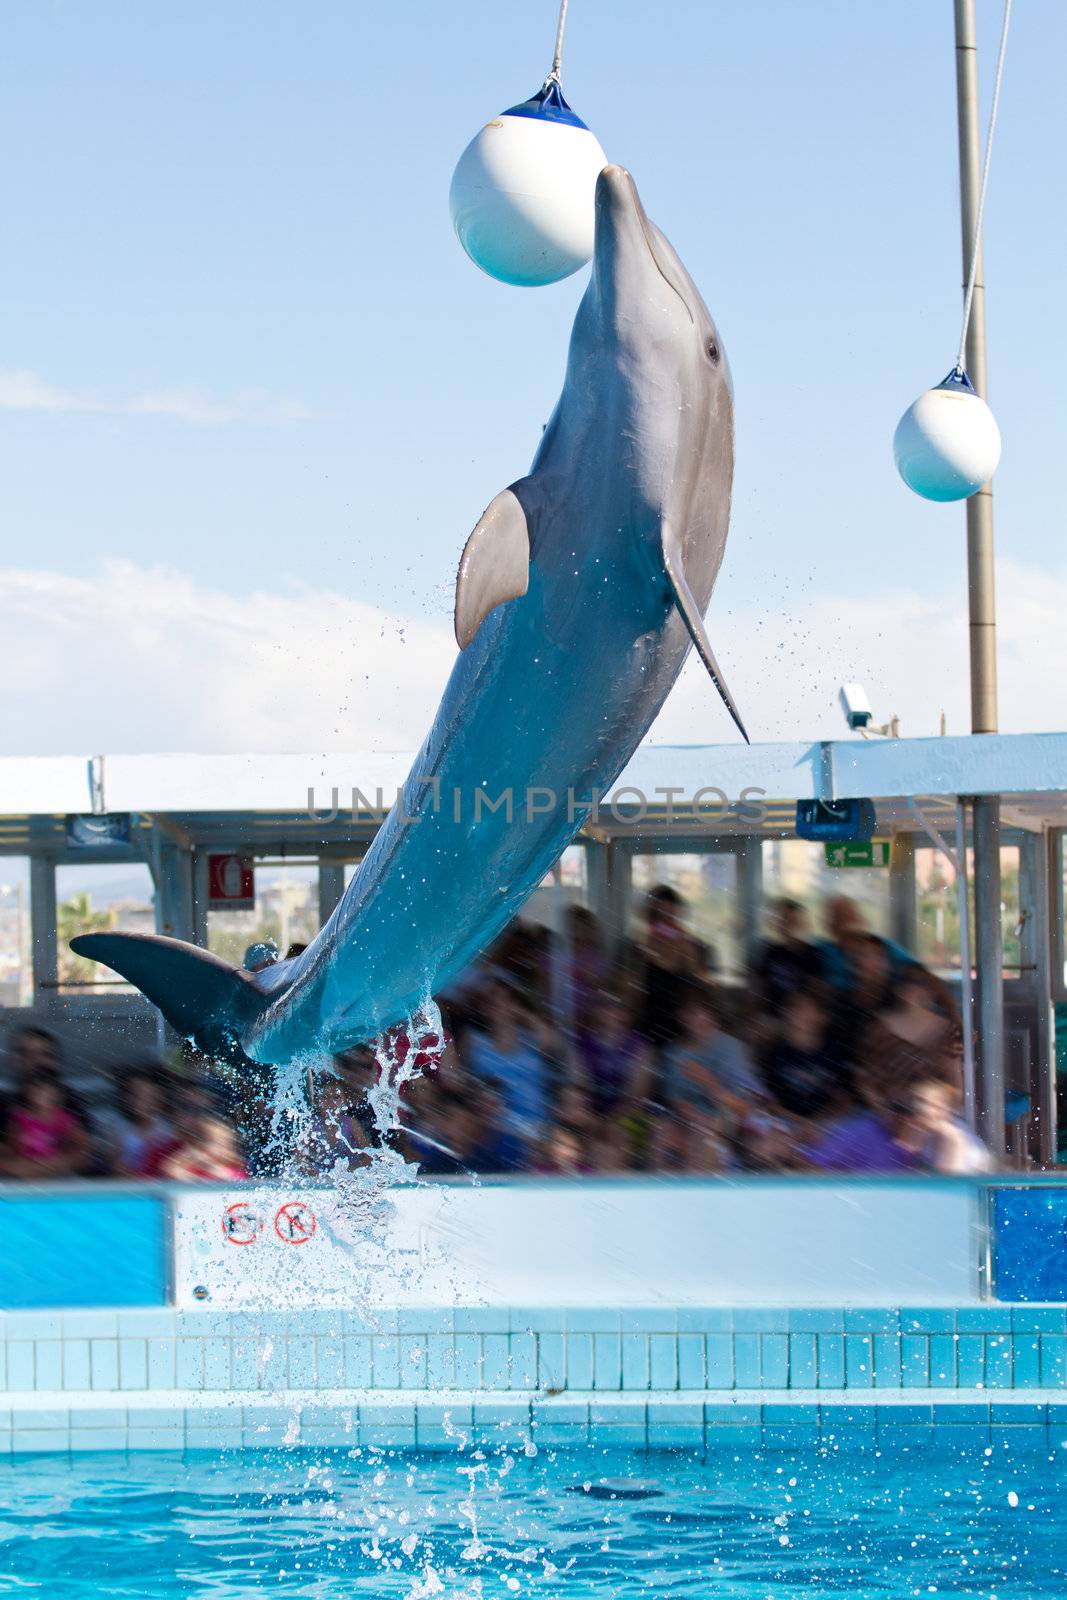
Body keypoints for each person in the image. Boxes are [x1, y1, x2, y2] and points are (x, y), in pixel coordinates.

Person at [463, 979, 551, 1154]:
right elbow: (463, 1081)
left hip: (536, 1125)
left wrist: (523, 1013)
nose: (499, 1004)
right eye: (493, 1000)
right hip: (494, 1126)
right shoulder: (474, 1041)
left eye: (506, 999)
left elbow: (551, 1043)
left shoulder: (531, 1041)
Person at [665, 985, 760, 1121]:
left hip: (724, 1122)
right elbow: (676, 1101)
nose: (694, 1019)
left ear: (712, 1013)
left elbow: (745, 1108)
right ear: (680, 1017)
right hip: (685, 1123)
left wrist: (710, 1084)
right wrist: (697, 1120)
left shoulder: (732, 1047)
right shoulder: (674, 1053)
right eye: (689, 1013)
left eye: (701, 1012)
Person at [760, 989, 848, 1121]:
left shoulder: (834, 1051)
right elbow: (769, 1103)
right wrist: (802, 1123)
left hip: (827, 1124)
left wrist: (818, 1124)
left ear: (822, 1017)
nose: (799, 1014)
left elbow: (844, 1101)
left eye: (807, 1009)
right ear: (786, 1014)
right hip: (788, 1123)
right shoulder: (776, 1054)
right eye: (794, 1008)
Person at [633, 886, 700, 1053]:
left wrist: (679, 941)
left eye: (670, 912)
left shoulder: (684, 939)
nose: (666, 919)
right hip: (651, 1009)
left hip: (677, 1006)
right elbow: (642, 977)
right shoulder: (646, 938)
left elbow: (691, 968)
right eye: (661, 912)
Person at [0, 1071, 89, 1177]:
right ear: (28, 1092)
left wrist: (63, 1159)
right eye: (37, 1090)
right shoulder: (19, 1117)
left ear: (56, 1094)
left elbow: (84, 1145)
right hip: (24, 1166)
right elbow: (11, 1146)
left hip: (54, 1167)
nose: (41, 1094)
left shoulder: (63, 1118)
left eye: (46, 1090)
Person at [750, 898, 823, 1015]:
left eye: (793, 921)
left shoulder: (813, 953)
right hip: (771, 1015)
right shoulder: (771, 952)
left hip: (799, 1015)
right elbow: (759, 987)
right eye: (784, 920)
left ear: (803, 923)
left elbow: (816, 991)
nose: (788, 925)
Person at [105, 1067, 174, 1176]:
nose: (140, 1101)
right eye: (135, 1094)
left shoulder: (168, 1130)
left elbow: (170, 1164)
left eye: (147, 1096)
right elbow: (114, 1163)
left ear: (159, 1098)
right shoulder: (115, 1127)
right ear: (126, 1097)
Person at [155, 1110, 248, 1181]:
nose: (224, 1148)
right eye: (217, 1143)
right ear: (198, 1145)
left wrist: (209, 1165)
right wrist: (190, 1158)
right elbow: (170, 1172)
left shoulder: (234, 1168)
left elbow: (233, 1179)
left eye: (227, 1143)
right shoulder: (187, 1167)